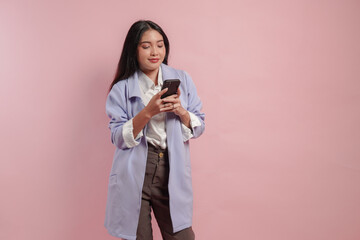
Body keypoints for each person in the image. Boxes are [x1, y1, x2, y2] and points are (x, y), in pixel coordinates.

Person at [104, 20, 205, 240]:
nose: (155, 52)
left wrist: (181, 111)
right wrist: (147, 112)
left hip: (171, 166)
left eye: (160, 45)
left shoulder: (182, 79)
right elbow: (118, 137)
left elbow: (200, 125)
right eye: (146, 46)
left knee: (182, 236)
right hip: (134, 171)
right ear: (134, 49)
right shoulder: (121, 89)